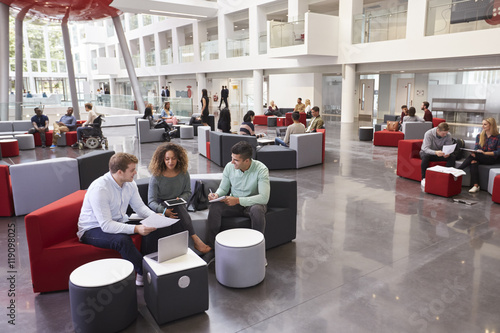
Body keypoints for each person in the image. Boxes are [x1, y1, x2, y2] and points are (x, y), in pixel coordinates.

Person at [77, 153, 169, 286]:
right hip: (92, 229)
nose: (135, 172)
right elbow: (106, 226)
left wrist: (154, 217)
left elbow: (140, 208)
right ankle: (145, 272)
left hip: (118, 221)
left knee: (153, 225)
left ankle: (147, 268)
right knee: (122, 240)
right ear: (120, 172)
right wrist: (136, 228)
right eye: (132, 170)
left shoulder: (129, 184)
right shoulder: (100, 189)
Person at [204, 141, 270, 263]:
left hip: (252, 204)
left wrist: (239, 200)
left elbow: (264, 198)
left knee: (257, 210)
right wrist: (217, 195)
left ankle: (258, 252)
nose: (232, 162)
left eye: (236, 160)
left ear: (247, 161)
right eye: (232, 158)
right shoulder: (229, 167)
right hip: (234, 204)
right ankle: (212, 249)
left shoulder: (261, 169)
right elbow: (224, 188)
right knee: (215, 206)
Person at [147, 143, 211, 254]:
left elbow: (187, 192)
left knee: (178, 207)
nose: (170, 162)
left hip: (178, 203)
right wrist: (164, 211)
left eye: (173, 159)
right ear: (162, 159)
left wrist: (181, 198)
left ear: (178, 159)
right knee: (178, 209)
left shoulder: (183, 173)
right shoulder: (156, 176)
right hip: (162, 205)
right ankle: (195, 239)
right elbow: (151, 201)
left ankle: (176, 251)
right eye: (167, 159)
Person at [458, 118, 500, 193]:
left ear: (491, 125)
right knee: (473, 161)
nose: (482, 126)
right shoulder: (479, 136)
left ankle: (458, 170)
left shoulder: (498, 137)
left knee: (474, 157)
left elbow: (498, 152)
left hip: (491, 159)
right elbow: (476, 148)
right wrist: (475, 152)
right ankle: (476, 185)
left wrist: (484, 153)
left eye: (485, 124)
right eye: (482, 124)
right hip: (480, 157)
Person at [420, 122, 456, 188]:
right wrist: (435, 152)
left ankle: (446, 177)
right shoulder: (429, 134)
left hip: (440, 153)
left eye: (446, 133)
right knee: (425, 156)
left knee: (452, 157)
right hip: (428, 152)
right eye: (443, 133)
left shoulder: (448, 135)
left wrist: (447, 153)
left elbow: (448, 147)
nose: (445, 135)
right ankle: (424, 178)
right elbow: (425, 148)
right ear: (438, 130)